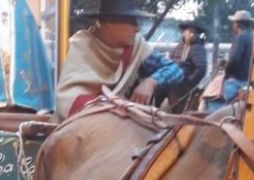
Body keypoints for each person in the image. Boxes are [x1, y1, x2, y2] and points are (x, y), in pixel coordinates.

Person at [55, 0, 184, 120]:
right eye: (131, 21)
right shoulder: (82, 45)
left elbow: (176, 70)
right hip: (84, 119)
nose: (137, 28)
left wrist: (151, 81)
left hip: (122, 120)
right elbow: (68, 98)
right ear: (111, 22)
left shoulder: (137, 47)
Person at [207, 10, 254, 112]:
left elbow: (234, 59)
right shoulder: (252, 37)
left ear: (237, 24)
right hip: (249, 79)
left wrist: (226, 70)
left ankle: (214, 123)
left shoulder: (240, 37)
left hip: (238, 80)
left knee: (212, 99)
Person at [161, 20, 208, 113]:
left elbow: (201, 68)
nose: (191, 34)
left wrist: (189, 83)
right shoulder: (180, 46)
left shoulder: (197, 48)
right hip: (172, 84)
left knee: (180, 112)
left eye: (193, 32)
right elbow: (171, 60)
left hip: (183, 88)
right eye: (189, 32)